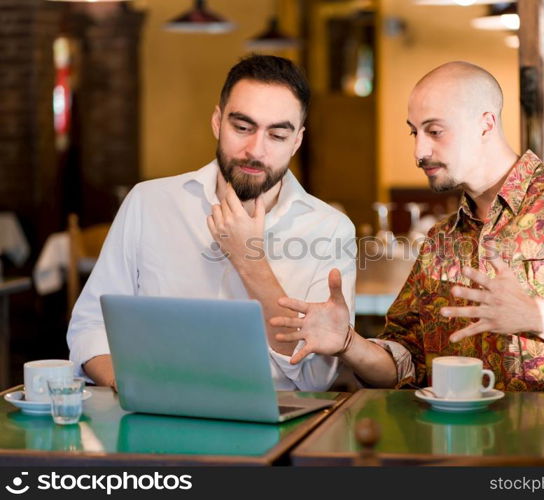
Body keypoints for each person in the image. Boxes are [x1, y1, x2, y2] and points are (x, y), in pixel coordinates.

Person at [271, 61, 544, 393]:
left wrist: (538, 316)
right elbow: (406, 364)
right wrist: (347, 344)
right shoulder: (441, 240)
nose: (419, 151)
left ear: (486, 124)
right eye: (414, 131)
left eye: (435, 131)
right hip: (461, 451)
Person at [67, 55, 356, 391]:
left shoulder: (330, 229)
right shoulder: (149, 203)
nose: (255, 150)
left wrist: (251, 263)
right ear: (218, 122)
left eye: (277, 135)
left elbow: (315, 379)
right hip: (153, 419)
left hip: (278, 424)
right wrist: (126, 384)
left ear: (297, 141)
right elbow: (92, 324)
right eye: (243, 128)